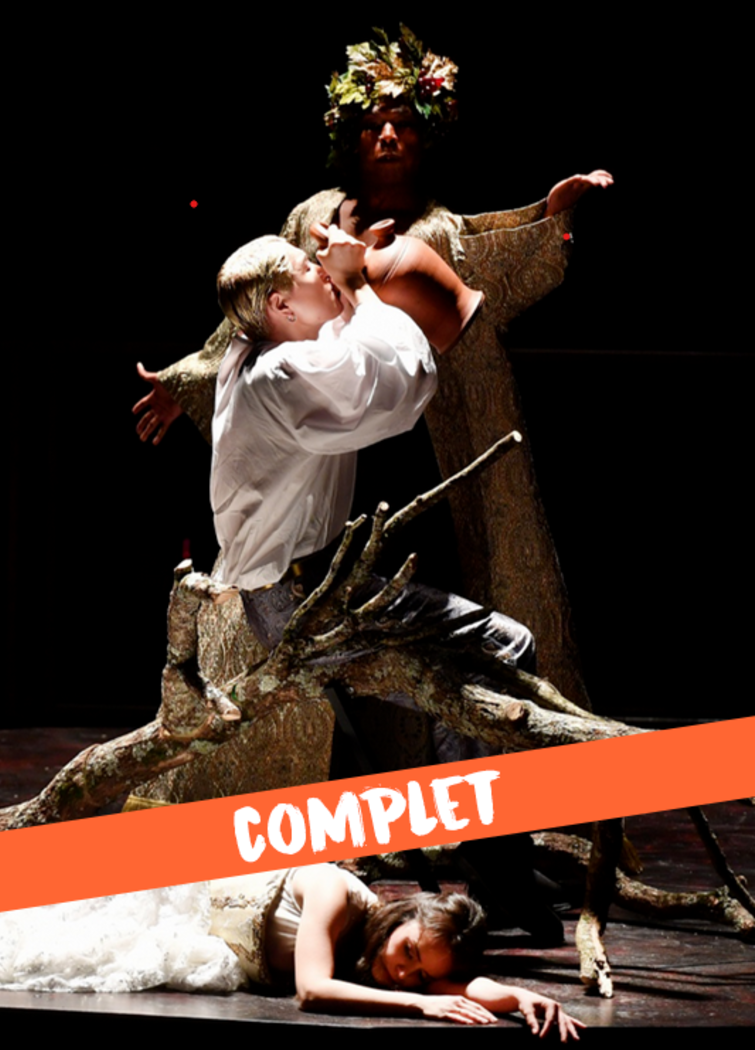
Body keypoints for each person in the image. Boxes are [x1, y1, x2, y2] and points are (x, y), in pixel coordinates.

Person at [134, 25, 612, 710]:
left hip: (442, 427)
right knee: (395, 651)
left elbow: (494, 276)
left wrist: (553, 221)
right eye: (372, 126)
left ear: (425, 136)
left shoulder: (437, 230)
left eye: (403, 125)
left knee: (469, 604)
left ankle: (477, 757)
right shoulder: (313, 224)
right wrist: (187, 382)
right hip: (348, 430)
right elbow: (255, 316)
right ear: (349, 137)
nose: (387, 137)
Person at [211, 224, 535, 675]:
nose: (321, 271)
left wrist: (348, 274)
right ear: (281, 305)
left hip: (295, 593)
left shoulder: (254, 349)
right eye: (309, 268)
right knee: (508, 647)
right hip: (300, 605)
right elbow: (404, 380)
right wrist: (355, 283)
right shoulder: (278, 376)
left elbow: (336, 345)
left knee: (465, 666)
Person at [0, 862, 584, 1039]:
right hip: (169, 903)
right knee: (30, 937)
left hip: (200, 944)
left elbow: (458, 987)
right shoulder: (335, 892)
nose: (404, 974)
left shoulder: (393, 962)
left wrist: (519, 997)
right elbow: (311, 990)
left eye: (419, 975)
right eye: (408, 952)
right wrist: (421, 1005)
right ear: (401, 916)